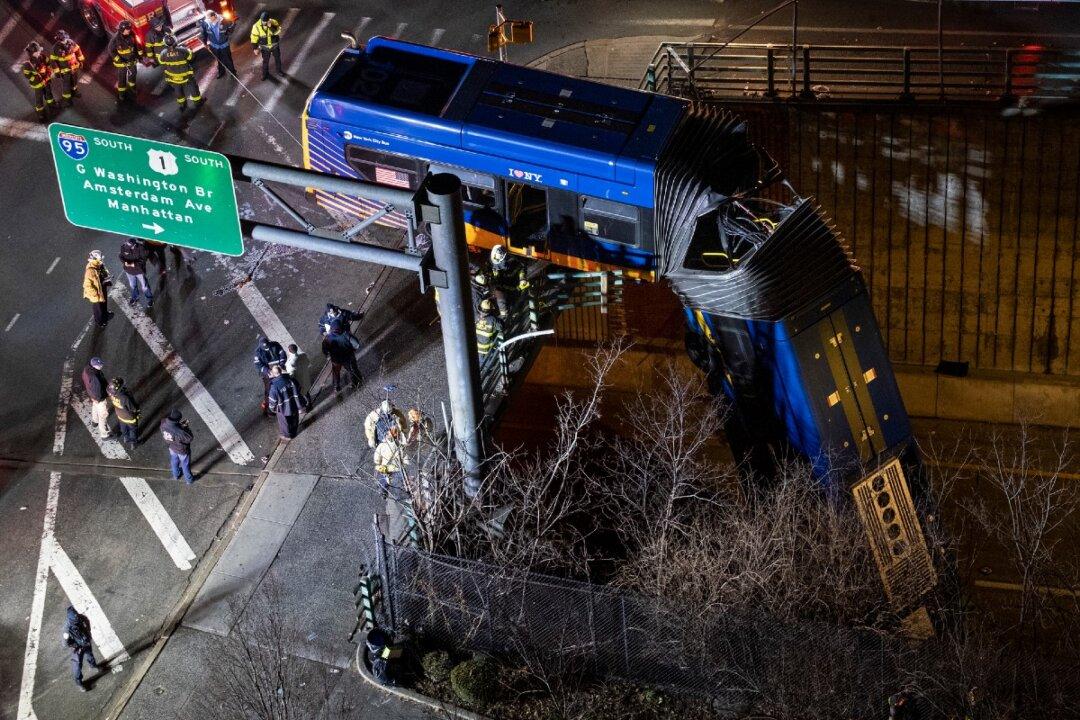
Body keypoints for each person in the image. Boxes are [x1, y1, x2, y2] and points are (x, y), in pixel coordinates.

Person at [158, 33, 203, 111]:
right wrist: (189, 50)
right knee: (193, 87)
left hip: (173, 77)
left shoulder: (163, 53)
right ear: (175, 41)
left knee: (178, 90)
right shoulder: (183, 50)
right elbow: (191, 57)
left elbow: (161, 63)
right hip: (186, 75)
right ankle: (197, 102)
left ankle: (182, 105)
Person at [63, 606, 99, 692]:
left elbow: (86, 620)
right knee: (77, 665)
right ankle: (79, 682)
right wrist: (75, 646)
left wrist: (88, 633)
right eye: (75, 620)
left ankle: (93, 665)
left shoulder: (79, 617)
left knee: (90, 654)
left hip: (85, 641)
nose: (77, 619)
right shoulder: (67, 630)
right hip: (77, 648)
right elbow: (65, 643)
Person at [266, 365, 308, 439]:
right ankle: (294, 431)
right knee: (294, 418)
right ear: (281, 371)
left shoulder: (274, 387)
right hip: (294, 404)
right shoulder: (290, 380)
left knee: (285, 423)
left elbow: (272, 402)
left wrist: (273, 409)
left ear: (273, 373)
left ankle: (288, 435)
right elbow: (298, 388)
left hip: (283, 408)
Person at [488, 244, 530, 318]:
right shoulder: (494, 261)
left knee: (515, 299)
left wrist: (522, 278)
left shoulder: (513, 262)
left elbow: (522, 268)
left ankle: (515, 311)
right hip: (505, 286)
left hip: (512, 284)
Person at [321, 321, 362, 392]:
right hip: (348, 357)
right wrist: (352, 350)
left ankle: (336, 387)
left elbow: (325, 350)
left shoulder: (327, 338)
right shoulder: (346, 334)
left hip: (335, 359)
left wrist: (328, 356)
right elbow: (356, 345)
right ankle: (355, 382)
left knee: (336, 372)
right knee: (352, 370)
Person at [107, 20, 142, 103]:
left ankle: (132, 87)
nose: (129, 30)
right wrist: (119, 60)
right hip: (122, 63)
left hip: (131, 60)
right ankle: (122, 93)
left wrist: (139, 56)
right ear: (122, 30)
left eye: (129, 29)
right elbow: (111, 50)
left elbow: (136, 45)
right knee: (122, 78)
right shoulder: (116, 39)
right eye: (127, 29)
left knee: (133, 74)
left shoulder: (131, 34)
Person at [22, 42, 56, 121]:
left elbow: (48, 64)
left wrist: (48, 72)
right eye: (38, 52)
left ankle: (51, 104)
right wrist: (36, 78)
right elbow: (27, 75)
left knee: (48, 92)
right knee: (39, 98)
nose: (40, 52)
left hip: (46, 79)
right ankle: (41, 113)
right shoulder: (28, 64)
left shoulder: (43, 57)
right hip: (38, 84)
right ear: (33, 53)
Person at [253, 336, 287, 414]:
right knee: (268, 390)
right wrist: (268, 371)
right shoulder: (257, 352)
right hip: (268, 373)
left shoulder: (275, 345)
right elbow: (258, 365)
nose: (266, 348)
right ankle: (269, 410)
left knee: (283, 383)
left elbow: (282, 354)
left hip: (278, 369)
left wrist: (281, 364)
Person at [160, 409, 194, 484]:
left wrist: (180, 425)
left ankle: (176, 475)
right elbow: (189, 438)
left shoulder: (163, 422)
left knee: (174, 461)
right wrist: (185, 428)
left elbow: (171, 430)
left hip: (172, 447)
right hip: (182, 450)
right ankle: (189, 480)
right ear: (177, 420)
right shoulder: (180, 431)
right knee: (185, 465)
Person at [199, 10, 236, 79]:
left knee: (228, 59)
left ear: (214, 16)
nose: (209, 20)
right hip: (214, 45)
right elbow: (204, 33)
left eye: (210, 18)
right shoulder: (206, 23)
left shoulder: (223, 20)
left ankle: (233, 72)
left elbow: (232, 26)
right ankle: (221, 72)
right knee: (219, 60)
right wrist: (205, 43)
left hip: (224, 44)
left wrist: (227, 34)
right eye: (208, 18)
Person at [50, 29, 83, 106]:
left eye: (65, 38)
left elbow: (78, 50)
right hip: (65, 71)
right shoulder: (55, 48)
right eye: (63, 39)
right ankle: (66, 100)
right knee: (66, 85)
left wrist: (81, 61)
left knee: (74, 81)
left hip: (74, 67)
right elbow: (53, 61)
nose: (65, 40)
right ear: (59, 40)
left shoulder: (71, 42)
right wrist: (57, 72)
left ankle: (75, 92)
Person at [373, 425, 408, 496]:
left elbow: (376, 460)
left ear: (388, 434)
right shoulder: (401, 447)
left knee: (382, 480)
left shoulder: (382, 445)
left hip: (385, 469)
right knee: (399, 488)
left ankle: (383, 492)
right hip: (397, 471)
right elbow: (406, 461)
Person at [81, 357, 111, 439]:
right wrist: (99, 399)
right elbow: (97, 390)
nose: (101, 366)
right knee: (103, 415)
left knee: (95, 406)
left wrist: (93, 397)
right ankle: (104, 434)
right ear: (94, 366)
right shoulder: (95, 377)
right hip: (99, 398)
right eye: (99, 365)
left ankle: (95, 421)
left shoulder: (87, 369)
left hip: (92, 395)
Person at [118, 238, 152, 308]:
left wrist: (132, 264)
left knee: (144, 286)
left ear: (134, 245)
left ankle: (149, 299)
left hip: (139, 271)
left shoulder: (141, 248)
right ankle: (135, 297)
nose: (127, 248)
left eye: (130, 246)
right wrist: (125, 262)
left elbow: (143, 260)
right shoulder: (124, 247)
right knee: (132, 285)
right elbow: (121, 256)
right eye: (127, 245)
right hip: (129, 271)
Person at [249, 11, 283, 80]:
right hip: (265, 47)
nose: (264, 23)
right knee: (265, 61)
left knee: (277, 59)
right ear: (261, 19)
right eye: (263, 21)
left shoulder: (273, 22)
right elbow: (254, 37)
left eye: (266, 21)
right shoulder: (256, 26)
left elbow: (277, 31)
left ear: (268, 19)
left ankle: (279, 71)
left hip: (274, 45)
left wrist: (271, 27)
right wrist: (255, 48)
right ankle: (265, 74)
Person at [107, 378, 140, 449]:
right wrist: (137, 412)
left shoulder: (111, 394)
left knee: (123, 428)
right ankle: (133, 443)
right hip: (130, 418)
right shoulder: (125, 397)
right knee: (133, 430)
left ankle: (126, 438)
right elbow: (133, 408)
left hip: (120, 416)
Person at [83, 250, 113, 327]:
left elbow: (104, 272)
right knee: (98, 309)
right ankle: (100, 322)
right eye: (99, 259)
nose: (101, 260)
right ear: (95, 259)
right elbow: (87, 285)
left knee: (104, 303)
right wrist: (95, 294)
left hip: (102, 287)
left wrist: (107, 277)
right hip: (96, 293)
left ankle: (105, 314)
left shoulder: (99, 265)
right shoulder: (90, 271)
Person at [475, 297, 502, 364]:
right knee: (489, 362)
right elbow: (500, 327)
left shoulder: (476, 317)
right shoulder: (492, 319)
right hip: (488, 348)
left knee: (480, 363)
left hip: (478, 347)